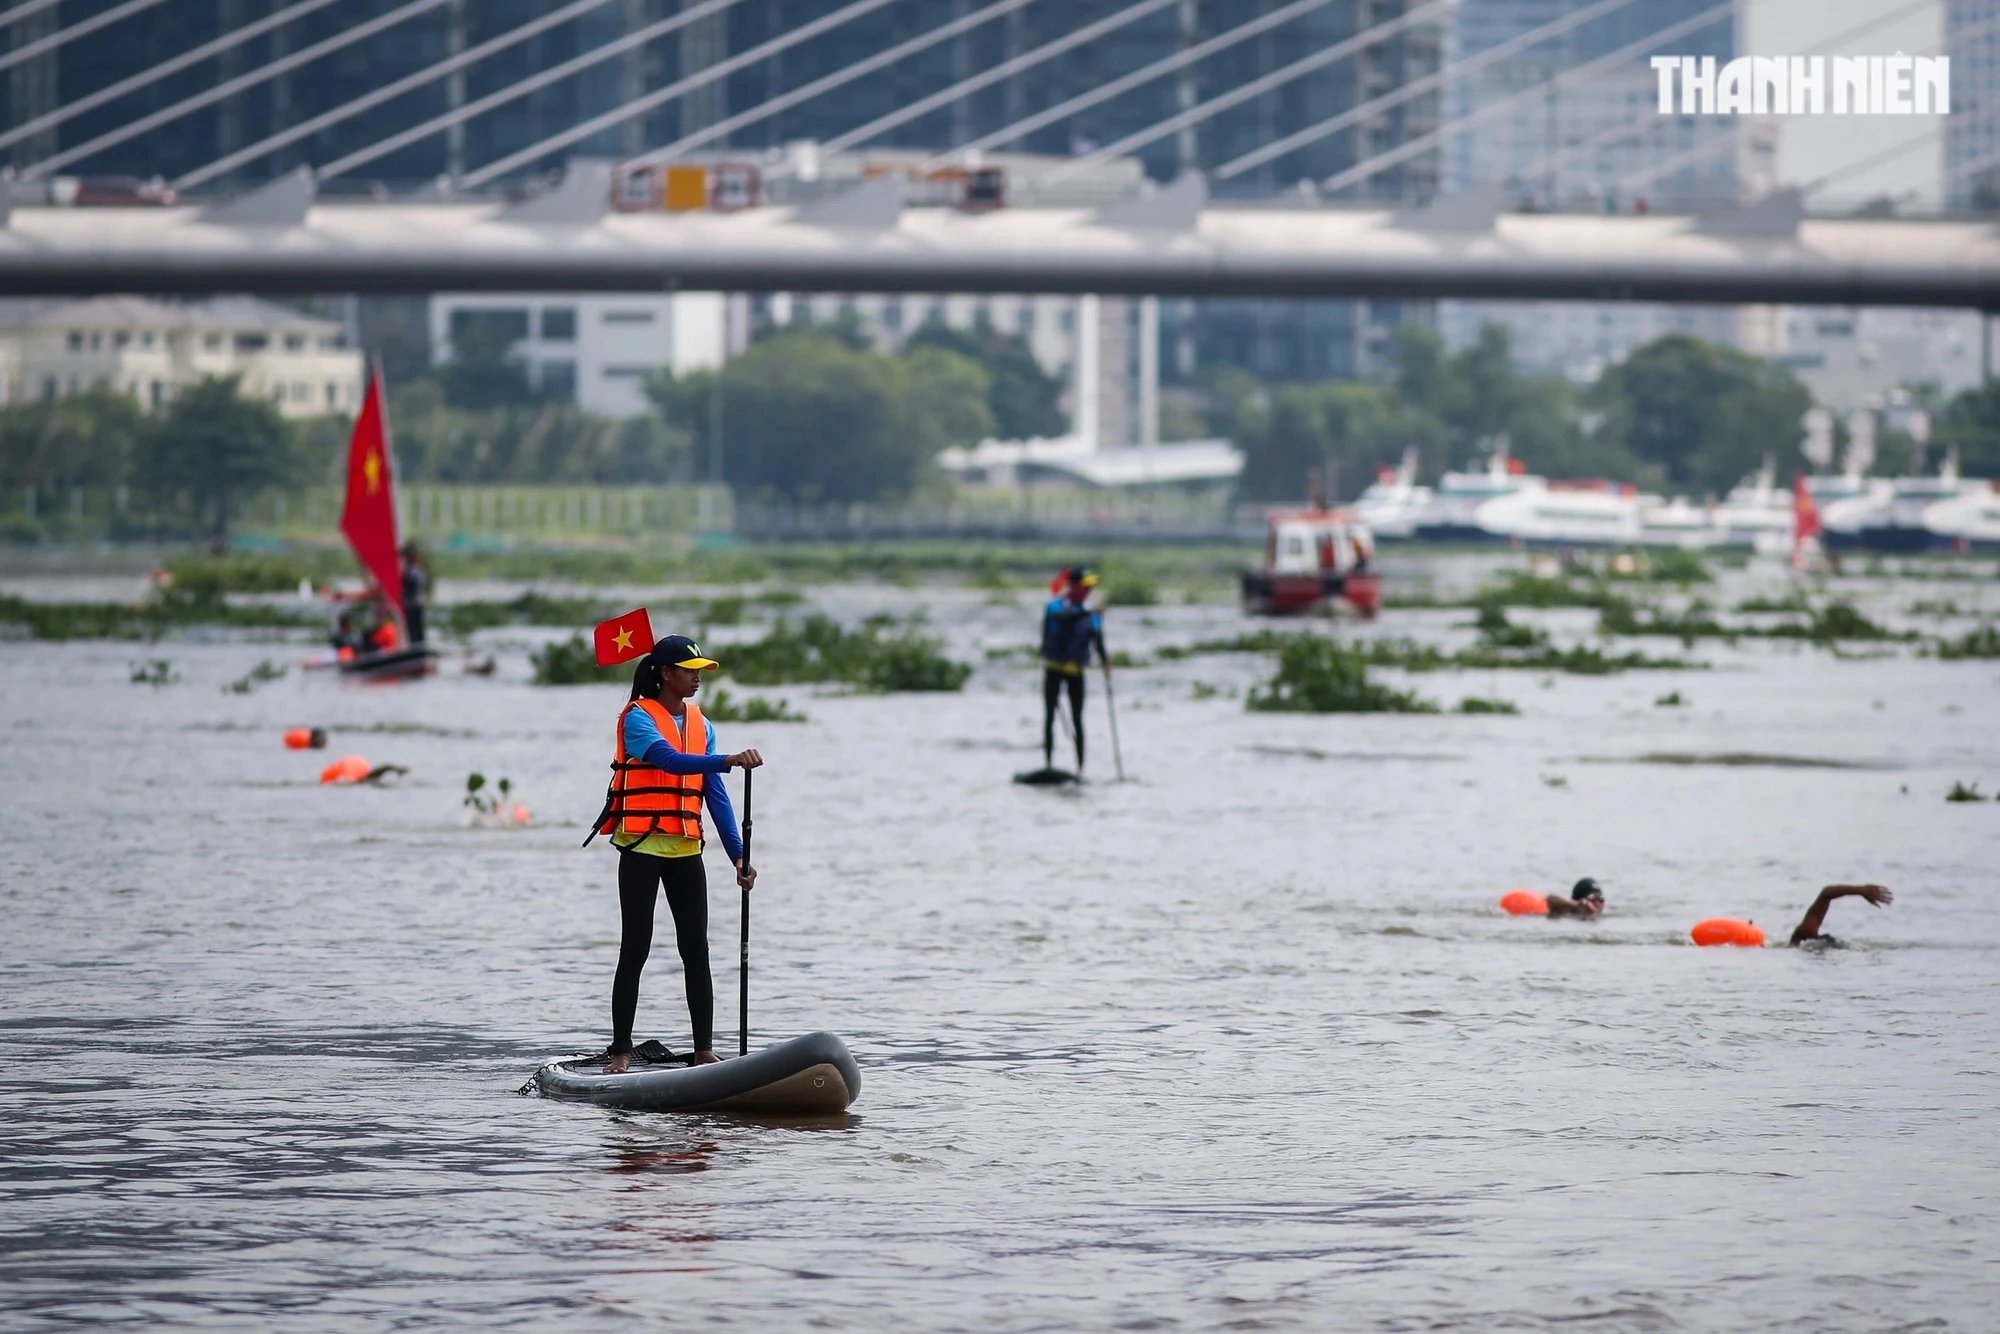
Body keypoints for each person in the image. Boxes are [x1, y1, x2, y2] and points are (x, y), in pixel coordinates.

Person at [590, 635, 762, 1073]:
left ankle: (704, 1048)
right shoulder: (637, 718)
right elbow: (668, 761)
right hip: (642, 846)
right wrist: (726, 759)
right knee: (636, 949)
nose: (697, 676)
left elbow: (716, 796)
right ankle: (622, 1051)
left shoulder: (702, 724)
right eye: (689, 669)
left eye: (699, 669)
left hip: (686, 848)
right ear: (666, 673)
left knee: (696, 949)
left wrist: (738, 857)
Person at [1040, 565, 1107, 773]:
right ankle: (1049, 766)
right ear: (1073, 586)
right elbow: (1062, 618)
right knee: (1050, 717)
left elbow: (1098, 640)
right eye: (1084, 586)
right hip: (1053, 670)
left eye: (1090, 586)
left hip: (1076, 672)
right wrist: (1087, 612)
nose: (1088, 590)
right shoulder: (1055, 606)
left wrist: (1106, 663)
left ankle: (1080, 768)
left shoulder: (1091, 612)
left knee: (1078, 719)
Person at [1787, 883, 1893, 947]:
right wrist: (1862, 890)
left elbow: (1826, 893)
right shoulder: (1802, 936)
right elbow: (1825, 894)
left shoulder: (1801, 937)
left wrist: (1862, 890)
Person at [399, 541, 430, 644]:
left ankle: (418, 646)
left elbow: (413, 585)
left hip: (414, 603)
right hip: (414, 603)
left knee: (416, 631)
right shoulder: (416, 569)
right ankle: (416, 645)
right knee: (414, 631)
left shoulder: (414, 570)